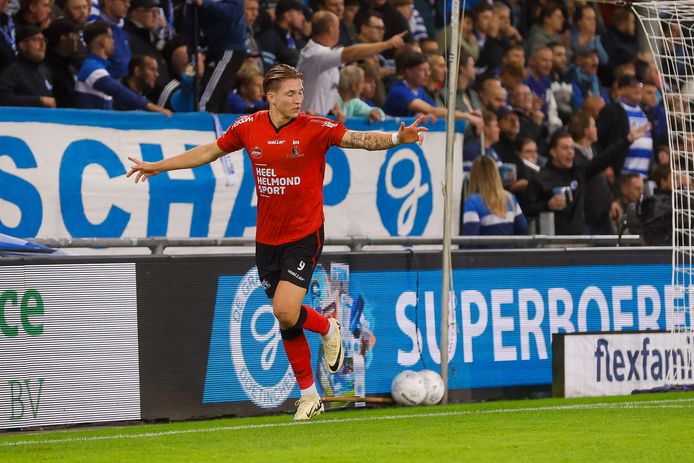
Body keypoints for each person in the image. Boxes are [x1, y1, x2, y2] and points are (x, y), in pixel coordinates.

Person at [126, 63, 427, 420]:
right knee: (287, 321)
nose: (298, 99)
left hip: (304, 233)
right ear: (270, 96)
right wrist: (159, 166)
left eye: (300, 92)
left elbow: (359, 140)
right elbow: (208, 152)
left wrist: (396, 139)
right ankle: (309, 396)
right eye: (290, 93)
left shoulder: (315, 128)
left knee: (285, 310)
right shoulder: (248, 127)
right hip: (268, 238)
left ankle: (329, 326)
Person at [524, 123, 649, 235]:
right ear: (553, 152)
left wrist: (628, 140)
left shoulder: (579, 172)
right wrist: (547, 206)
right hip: (552, 243)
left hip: (579, 241)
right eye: (564, 148)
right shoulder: (539, 179)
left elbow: (604, 158)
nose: (570, 152)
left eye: (572, 148)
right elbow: (527, 210)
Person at [297, 10, 405, 116]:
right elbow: (351, 52)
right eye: (338, 26)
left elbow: (326, 87)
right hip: (304, 124)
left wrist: (336, 108)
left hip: (319, 123)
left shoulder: (326, 55)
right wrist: (387, 44)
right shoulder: (315, 53)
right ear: (331, 30)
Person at [74, 20, 170, 114]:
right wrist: (151, 107)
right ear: (103, 42)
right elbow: (118, 91)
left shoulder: (98, 67)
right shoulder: (92, 68)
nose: (113, 42)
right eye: (111, 37)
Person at [462, 154, 528, 237]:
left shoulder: (472, 202)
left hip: (486, 249)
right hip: (509, 249)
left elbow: (470, 239)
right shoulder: (510, 198)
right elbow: (523, 230)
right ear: (496, 174)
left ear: (473, 176)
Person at [0, 24, 55, 107]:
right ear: (22, 46)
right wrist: (38, 101)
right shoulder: (12, 72)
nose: (42, 44)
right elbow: (3, 98)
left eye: (43, 40)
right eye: (36, 40)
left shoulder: (44, 70)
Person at [43, 17, 80, 107]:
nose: (77, 38)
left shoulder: (69, 66)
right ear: (62, 37)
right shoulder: (46, 68)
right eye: (73, 34)